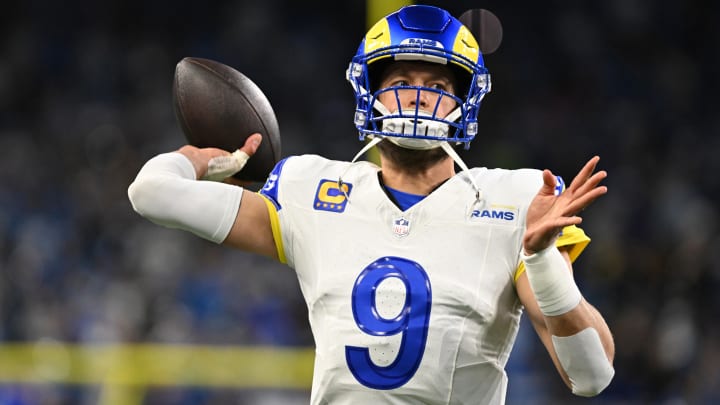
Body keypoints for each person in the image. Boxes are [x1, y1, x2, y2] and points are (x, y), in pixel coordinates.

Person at [128, 5, 615, 404]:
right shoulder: (312, 190)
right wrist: (198, 159)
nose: (419, 98)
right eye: (401, 80)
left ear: (465, 104)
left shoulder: (514, 200)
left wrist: (542, 261)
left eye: (439, 87)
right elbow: (150, 193)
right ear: (369, 91)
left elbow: (591, 375)